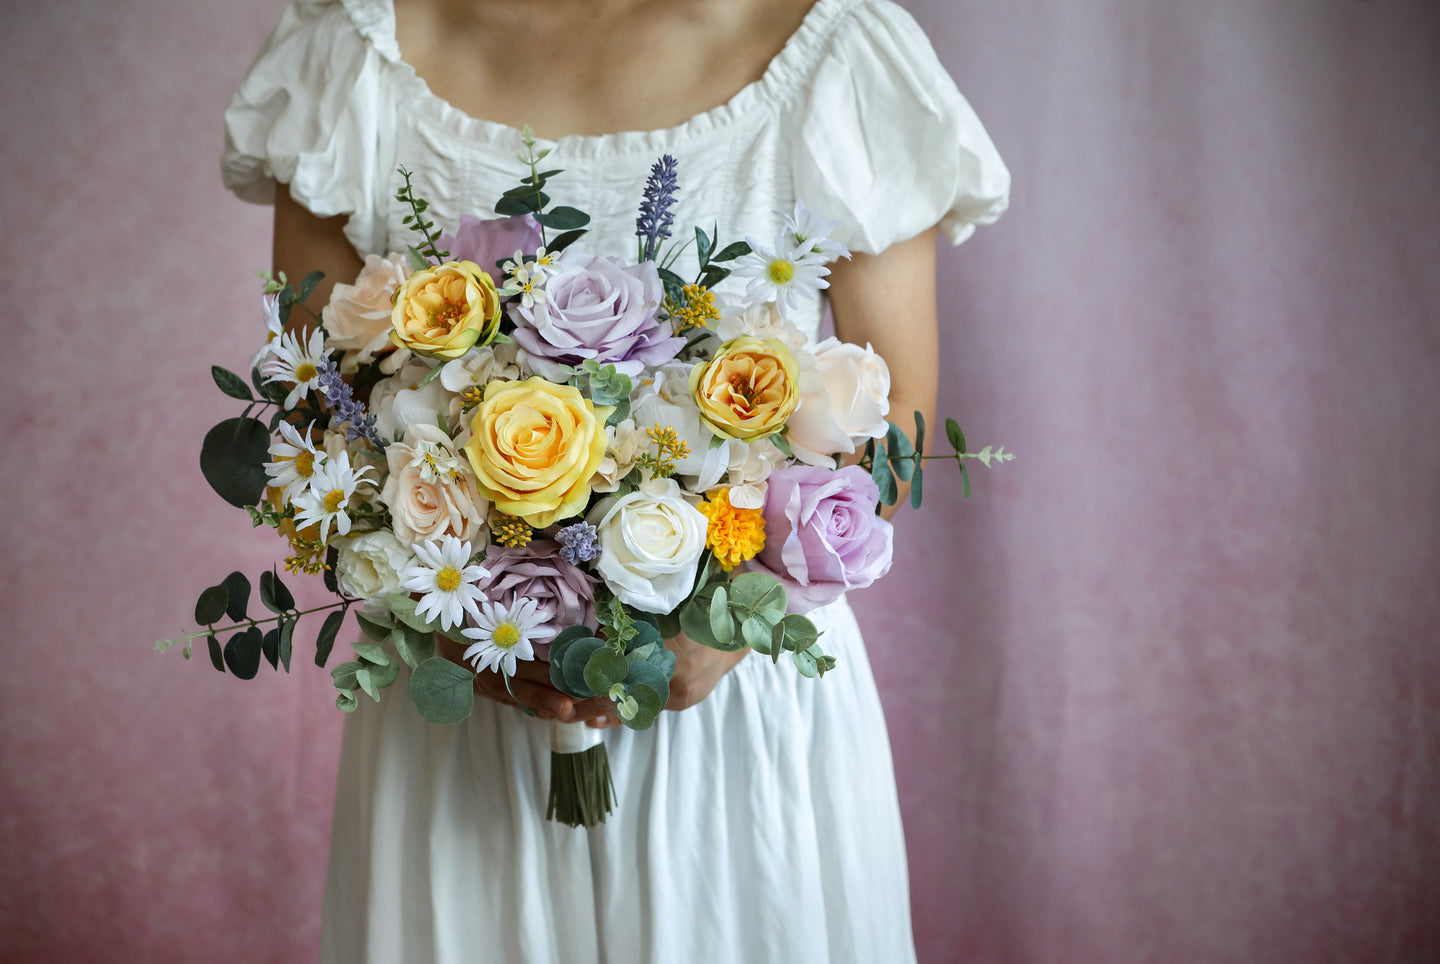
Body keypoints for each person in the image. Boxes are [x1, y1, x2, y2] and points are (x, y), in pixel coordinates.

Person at [222, 0, 1008, 959]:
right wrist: (460, 620)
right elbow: (317, 408)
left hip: (738, 697)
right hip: (461, 700)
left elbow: (896, 428)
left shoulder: (837, 52)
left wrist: (732, 614)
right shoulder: (353, 55)